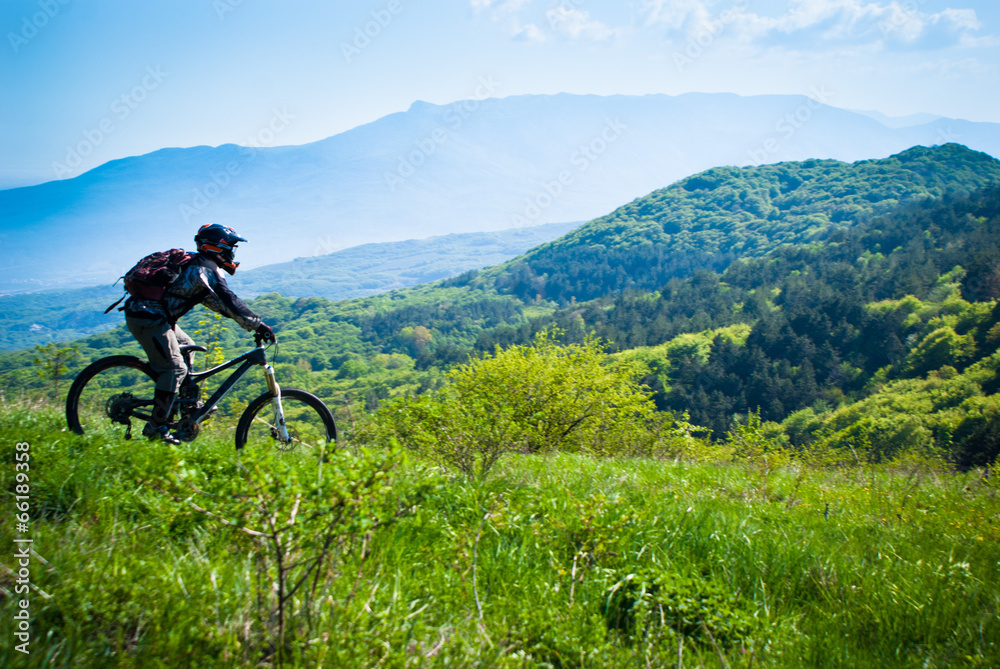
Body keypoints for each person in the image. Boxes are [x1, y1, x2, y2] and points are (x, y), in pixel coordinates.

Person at [124, 223, 276, 444]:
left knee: (188, 346)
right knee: (174, 369)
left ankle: (185, 406)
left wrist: (248, 322)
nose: (232, 253)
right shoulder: (205, 269)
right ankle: (156, 427)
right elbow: (229, 300)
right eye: (230, 247)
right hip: (148, 318)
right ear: (217, 247)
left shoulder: (200, 267)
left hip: (155, 317)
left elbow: (217, 303)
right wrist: (259, 325)